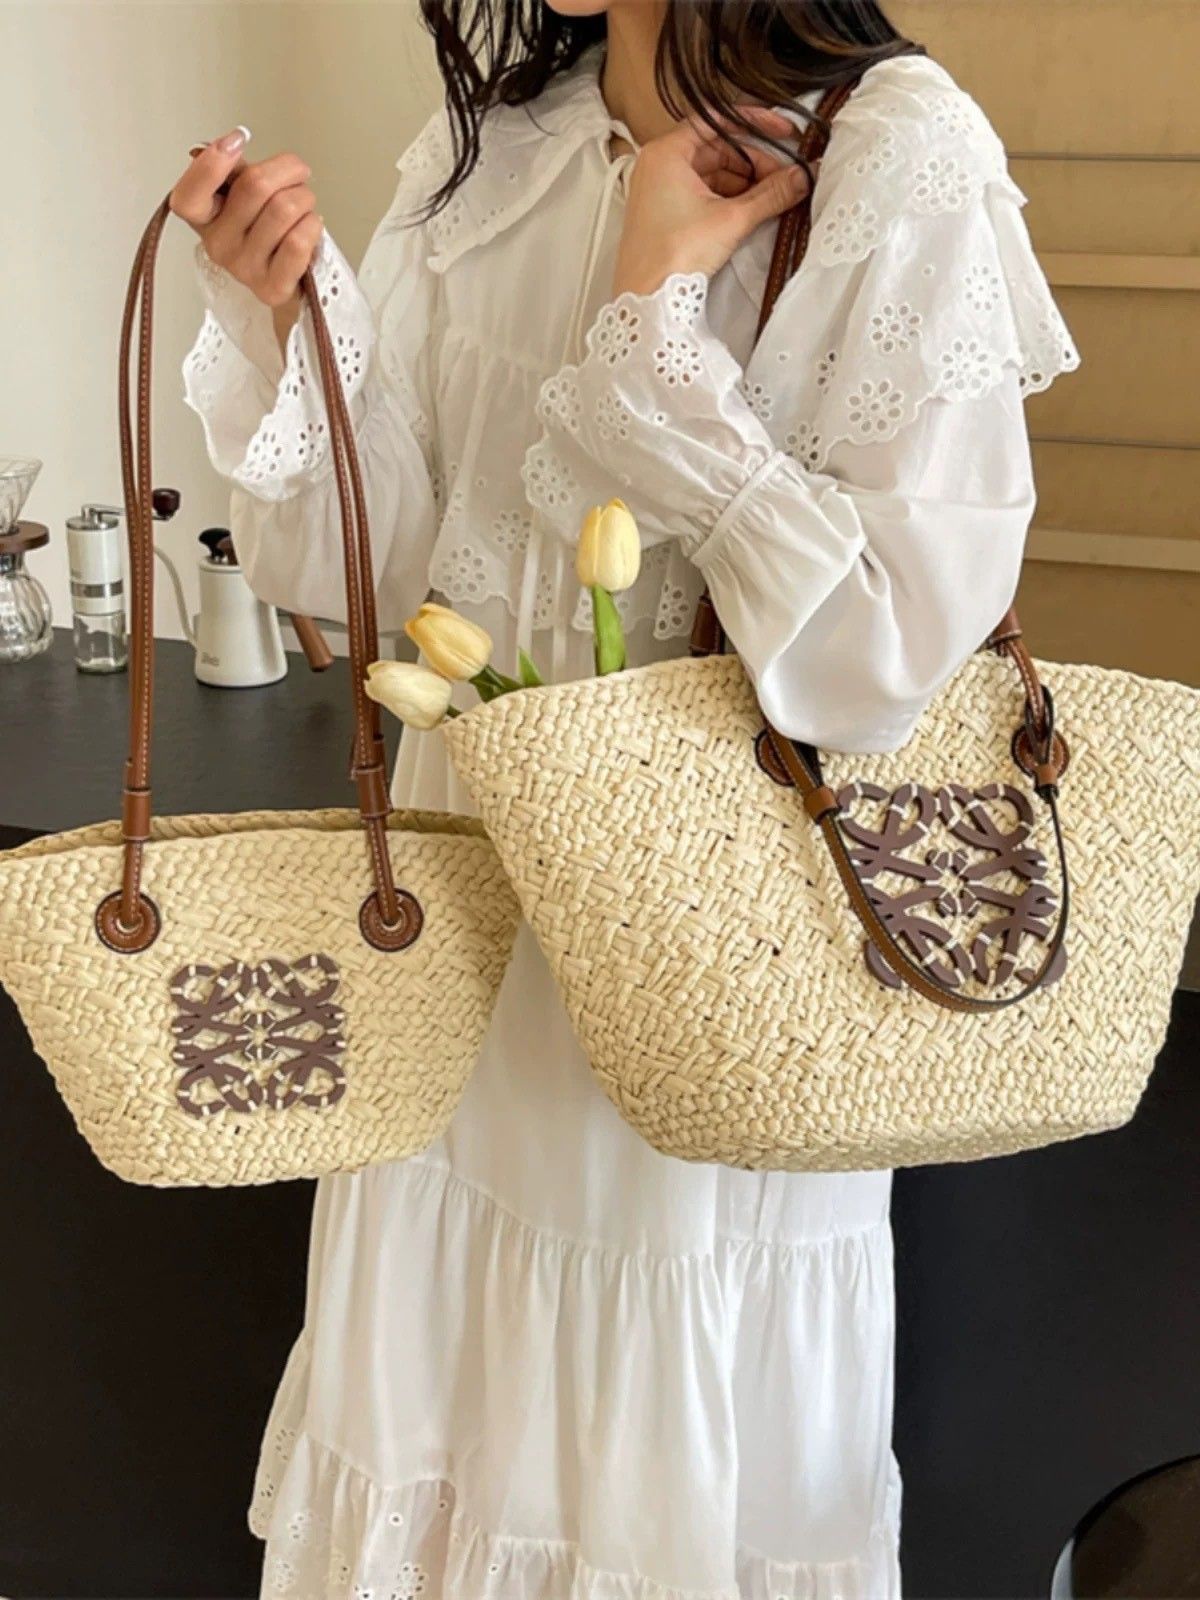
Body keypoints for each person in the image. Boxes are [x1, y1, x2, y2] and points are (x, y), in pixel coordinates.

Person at [170, 2, 1078, 1594]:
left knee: (660, 1487)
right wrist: (285, 324)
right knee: (438, 1448)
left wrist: (655, 329)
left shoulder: (892, 152)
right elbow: (383, 574)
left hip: (705, 986)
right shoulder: (501, 142)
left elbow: (883, 657)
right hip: (461, 965)